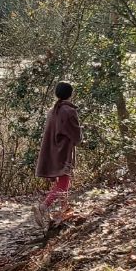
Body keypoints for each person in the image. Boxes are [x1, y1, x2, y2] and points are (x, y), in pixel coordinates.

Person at [34, 81, 82, 231]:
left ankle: (64, 210)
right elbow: (76, 134)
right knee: (63, 182)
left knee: (64, 181)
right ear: (70, 94)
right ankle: (43, 207)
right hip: (63, 152)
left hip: (54, 151)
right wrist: (79, 137)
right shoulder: (68, 111)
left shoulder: (53, 110)